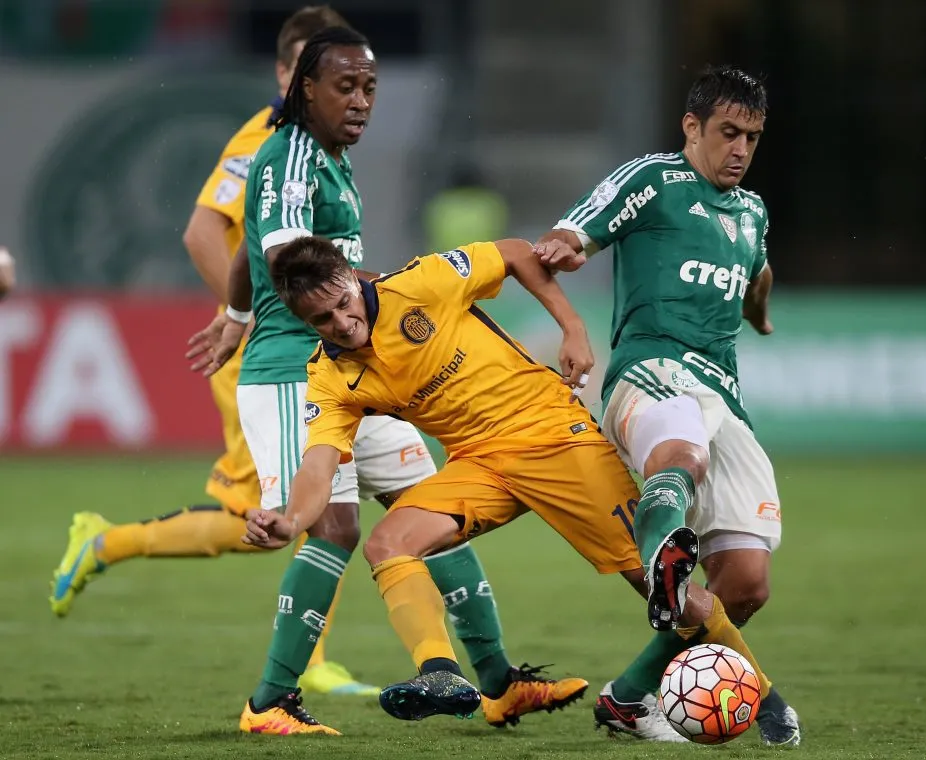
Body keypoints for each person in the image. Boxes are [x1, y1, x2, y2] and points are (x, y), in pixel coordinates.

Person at [188, 26, 585, 735]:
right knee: (335, 529)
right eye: (346, 86)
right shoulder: (291, 159)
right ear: (304, 87)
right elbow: (283, 256)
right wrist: (387, 295)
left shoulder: (327, 160)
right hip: (298, 372)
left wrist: (237, 309)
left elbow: (253, 240)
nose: (362, 101)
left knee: (430, 513)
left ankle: (499, 684)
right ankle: (269, 703)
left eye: (370, 88)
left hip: (365, 369)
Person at [243, 234, 779, 743]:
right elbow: (318, 467)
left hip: (555, 439)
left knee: (665, 589)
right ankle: (439, 673)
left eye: (342, 303)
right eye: (322, 319)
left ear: (350, 278)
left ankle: (768, 699)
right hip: (479, 464)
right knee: (388, 543)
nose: (342, 322)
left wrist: (571, 326)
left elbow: (517, 253)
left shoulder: (422, 282)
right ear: (302, 320)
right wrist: (290, 520)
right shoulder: (329, 378)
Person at [47, 5, 380, 698]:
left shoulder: (326, 146)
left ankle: (324, 655)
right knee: (280, 514)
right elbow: (204, 232)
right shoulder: (266, 139)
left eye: (361, 82)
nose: (351, 96)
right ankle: (106, 541)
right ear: (292, 74)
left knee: (323, 500)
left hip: (303, 341)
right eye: (327, 77)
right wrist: (256, 315)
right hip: (277, 348)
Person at [532, 65, 800, 746]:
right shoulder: (653, 180)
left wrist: (760, 314)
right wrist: (566, 243)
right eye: (728, 133)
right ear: (692, 127)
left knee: (745, 582)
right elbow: (580, 227)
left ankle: (626, 698)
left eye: (753, 137)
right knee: (681, 455)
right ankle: (666, 562)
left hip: (724, 393)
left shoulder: (752, 211)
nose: (740, 148)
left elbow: (756, 274)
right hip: (649, 369)